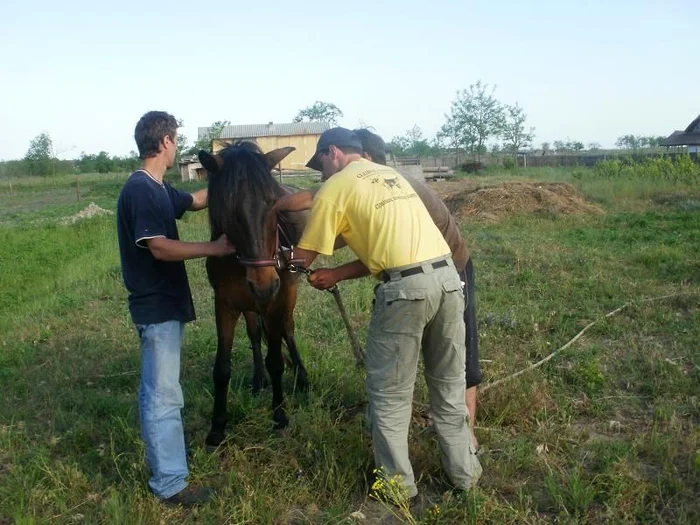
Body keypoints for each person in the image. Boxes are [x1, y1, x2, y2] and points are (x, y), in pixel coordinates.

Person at [287, 127, 482, 501]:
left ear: (333, 154)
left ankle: (397, 488)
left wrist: (284, 256)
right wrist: (339, 273)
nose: (322, 173)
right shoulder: (394, 177)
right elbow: (390, 247)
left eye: (322, 164)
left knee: (391, 395)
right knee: (448, 386)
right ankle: (465, 475)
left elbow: (305, 256)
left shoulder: (337, 185)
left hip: (405, 294)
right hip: (447, 281)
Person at [116, 111, 235, 507]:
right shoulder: (141, 190)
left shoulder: (159, 189)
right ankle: (169, 484)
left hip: (166, 305)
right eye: (176, 139)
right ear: (165, 141)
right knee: (162, 395)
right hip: (155, 306)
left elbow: (198, 200)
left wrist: (230, 177)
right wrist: (212, 248)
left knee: (166, 392)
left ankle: (170, 472)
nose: (178, 146)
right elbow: (159, 246)